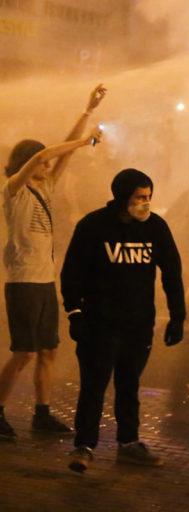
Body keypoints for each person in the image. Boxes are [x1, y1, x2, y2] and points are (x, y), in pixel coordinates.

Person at [0, 84, 106, 441]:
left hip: (45, 281)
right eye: (42, 161)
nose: (48, 165)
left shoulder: (45, 188)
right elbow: (45, 155)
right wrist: (85, 142)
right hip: (23, 282)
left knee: (48, 350)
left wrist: (87, 111)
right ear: (28, 162)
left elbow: (63, 152)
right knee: (24, 353)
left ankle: (41, 414)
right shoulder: (13, 188)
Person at [61, 169, 185, 472]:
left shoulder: (155, 227)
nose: (145, 203)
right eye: (139, 197)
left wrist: (177, 316)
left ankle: (129, 442)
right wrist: (74, 312)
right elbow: (72, 272)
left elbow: (172, 272)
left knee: (129, 384)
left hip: (138, 323)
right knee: (94, 385)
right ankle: (84, 446)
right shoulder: (93, 226)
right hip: (99, 323)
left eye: (149, 197)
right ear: (122, 197)